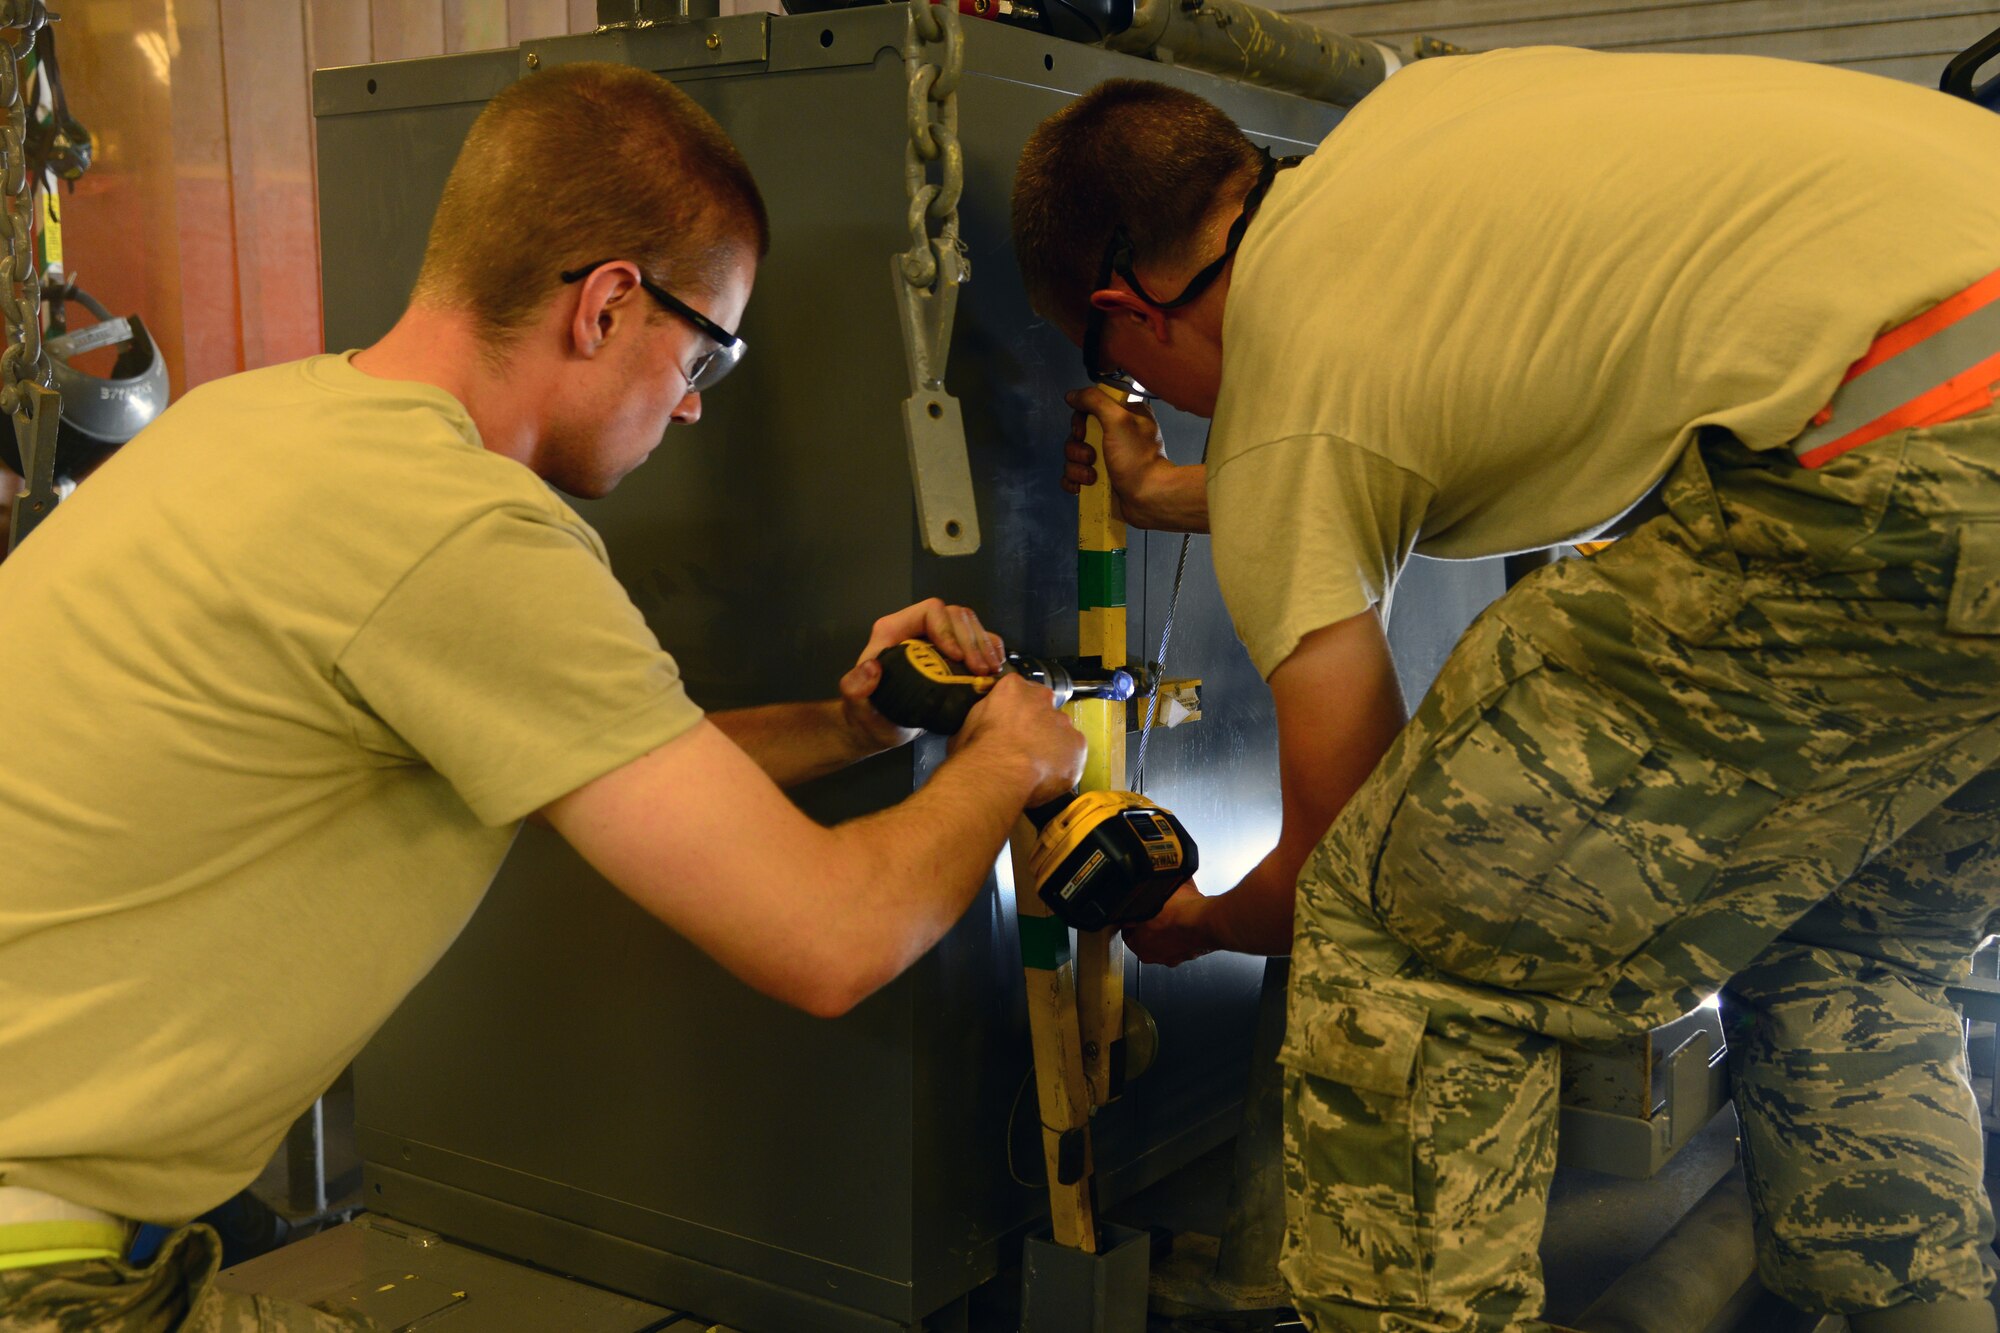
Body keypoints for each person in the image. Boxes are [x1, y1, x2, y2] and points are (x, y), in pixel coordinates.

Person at [0, 61, 1085, 1331]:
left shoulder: (255, 424)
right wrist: (1008, 756)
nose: (688, 405)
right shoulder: (462, 533)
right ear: (610, 302)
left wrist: (858, 728)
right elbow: (830, 939)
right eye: (707, 353)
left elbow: (600, 761)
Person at [1011, 51, 2000, 1333]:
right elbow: (1422, 431)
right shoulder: (1418, 133)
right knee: (1850, 947)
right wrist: (1182, 495)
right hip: (1943, 419)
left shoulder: (1291, 368)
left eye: (1139, 377)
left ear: (1128, 306)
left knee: (1402, 938)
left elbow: (1334, 850)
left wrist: (1205, 920)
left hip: (1923, 450)